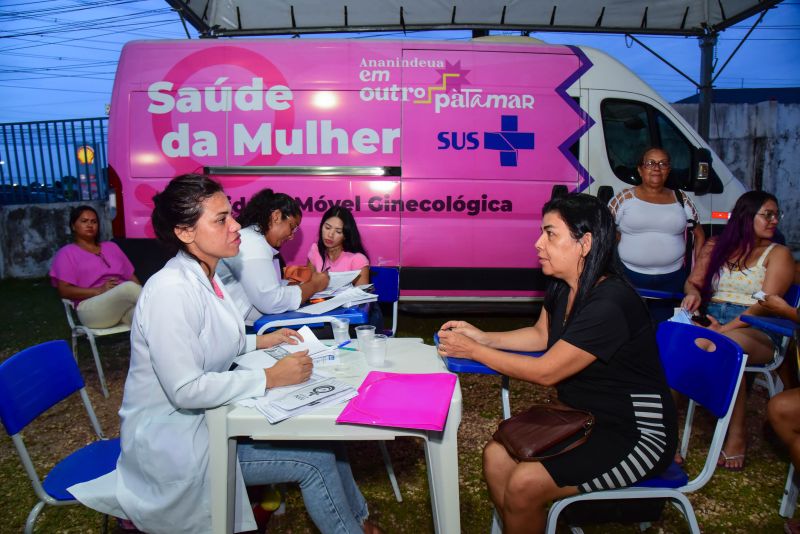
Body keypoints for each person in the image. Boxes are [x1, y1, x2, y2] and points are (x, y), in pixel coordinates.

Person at [69, 174, 378, 534]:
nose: (236, 227)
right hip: (177, 445)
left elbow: (209, 341)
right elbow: (185, 389)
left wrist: (259, 342)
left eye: (230, 215)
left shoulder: (206, 276)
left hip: (208, 421)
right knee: (315, 461)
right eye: (221, 220)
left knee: (325, 440)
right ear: (185, 232)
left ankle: (358, 523)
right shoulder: (171, 291)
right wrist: (270, 377)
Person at [437, 193, 677, 534]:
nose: (538, 243)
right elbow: (540, 335)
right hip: (583, 419)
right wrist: (482, 337)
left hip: (636, 435)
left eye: (550, 234)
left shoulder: (611, 302)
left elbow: (547, 370)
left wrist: (474, 352)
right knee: (496, 458)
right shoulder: (564, 286)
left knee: (525, 483)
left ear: (585, 243)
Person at [682, 190, 794, 471]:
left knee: (727, 348)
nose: (774, 220)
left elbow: (765, 305)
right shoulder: (717, 245)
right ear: (747, 215)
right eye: (767, 214)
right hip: (715, 318)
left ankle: (736, 436)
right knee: (675, 343)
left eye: (776, 214)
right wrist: (693, 294)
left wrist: (725, 328)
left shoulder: (778, 253)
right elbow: (692, 282)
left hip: (759, 327)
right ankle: (668, 433)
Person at [608, 146, 705, 323]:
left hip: (673, 281)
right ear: (640, 169)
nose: (656, 168)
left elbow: (699, 235)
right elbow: (608, 236)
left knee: (666, 332)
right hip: (630, 279)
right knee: (630, 328)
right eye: (650, 163)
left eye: (662, 163)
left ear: (669, 169)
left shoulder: (681, 199)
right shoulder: (623, 199)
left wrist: (695, 276)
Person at [217, 188, 329, 321]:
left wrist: (306, 284)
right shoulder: (253, 243)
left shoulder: (256, 240)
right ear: (276, 216)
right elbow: (270, 301)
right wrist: (314, 286)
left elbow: (270, 285)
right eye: (292, 227)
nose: (292, 236)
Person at [50, 205, 141, 328]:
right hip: (91, 309)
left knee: (145, 318)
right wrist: (99, 290)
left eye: (94, 222)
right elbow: (64, 290)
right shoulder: (67, 253)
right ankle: (165, 305)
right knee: (130, 288)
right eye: (84, 221)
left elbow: (132, 277)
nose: (90, 225)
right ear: (73, 226)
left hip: (120, 306)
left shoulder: (112, 247)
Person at [307, 206, 370, 286]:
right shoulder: (315, 250)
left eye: (338, 231)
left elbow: (362, 296)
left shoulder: (358, 259)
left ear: (345, 235)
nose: (330, 235)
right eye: (327, 227)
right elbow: (308, 286)